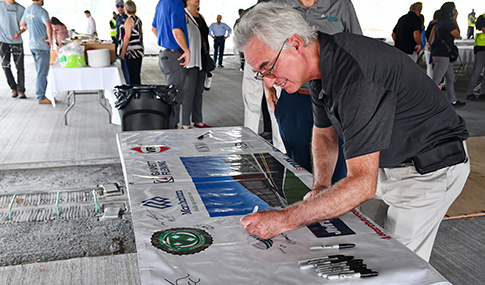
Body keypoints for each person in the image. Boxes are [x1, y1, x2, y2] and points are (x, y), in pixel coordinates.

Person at [234, 2, 470, 262]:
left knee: (395, 267)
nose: (268, 81)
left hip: (429, 171)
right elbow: (325, 133)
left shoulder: (355, 76)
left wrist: (284, 219)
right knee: (360, 247)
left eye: (268, 67)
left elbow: (361, 184)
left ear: (296, 44)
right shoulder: (320, 64)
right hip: (388, 165)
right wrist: (321, 186)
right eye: (260, 74)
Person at [265, 0, 361, 182]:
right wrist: (266, 84)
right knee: (297, 166)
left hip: (334, 99)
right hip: (296, 99)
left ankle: (336, 208)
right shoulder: (279, 5)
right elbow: (266, 46)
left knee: (337, 167)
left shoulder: (341, 4)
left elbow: (358, 49)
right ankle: (301, 208)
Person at [152, 0, 190, 129]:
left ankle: (170, 127)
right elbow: (176, 31)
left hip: (164, 54)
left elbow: (154, 28)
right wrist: (186, 50)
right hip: (174, 56)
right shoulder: (176, 3)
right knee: (175, 96)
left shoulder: (161, 3)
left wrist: (165, 41)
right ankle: (171, 129)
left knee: (170, 93)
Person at [181, 0, 211, 130]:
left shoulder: (201, 17)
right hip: (191, 61)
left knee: (199, 92)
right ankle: (185, 123)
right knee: (189, 92)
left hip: (202, 60)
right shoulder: (184, 15)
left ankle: (198, 120)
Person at [429, 2, 465, 108]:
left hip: (439, 53)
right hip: (443, 54)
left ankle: (452, 101)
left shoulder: (440, 22)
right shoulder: (449, 22)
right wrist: (455, 19)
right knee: (436, 80)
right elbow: (457, 34)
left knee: (450, 78)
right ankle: (429, 103)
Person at [20, 0, 53, 104]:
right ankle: (41, 96)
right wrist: (50, 39)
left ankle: (46, 95)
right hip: (42, 46)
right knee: (42, 72)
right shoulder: (42, 11)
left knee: (40, 71)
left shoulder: (28, 10)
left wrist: (31, 30)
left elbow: (22, 23)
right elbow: (48, 25)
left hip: (32, 45)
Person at [0, 0, 26, 99]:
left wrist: (19, 33)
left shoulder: (21, 9)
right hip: (2, 41)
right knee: (5, 66)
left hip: (17, 41)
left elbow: (25, 26)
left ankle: (21, 90)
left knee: (20, 66)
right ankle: (13, 88)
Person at [119, 0, 143, 85]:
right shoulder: (138, 20)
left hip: (131, 51)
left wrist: (123, 50)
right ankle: (138, 94)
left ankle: (133, 94)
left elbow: (127, 36)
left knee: (131, 75)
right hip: (138, 50)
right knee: (136, 74)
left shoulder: (129, 20)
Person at [466, 13, 485, 101]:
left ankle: (483, 92)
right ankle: (470, 92)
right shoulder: (482, 18)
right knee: (477, 70)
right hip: (481, 47)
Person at [116, 0, 130, 85]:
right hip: (120, 44)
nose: (120, 8)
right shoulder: (117, 17)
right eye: (118, 6)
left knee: (128, 69)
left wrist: (123, 50)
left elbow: (127, 36)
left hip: (127, 47)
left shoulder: (127, 18)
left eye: (121, 6)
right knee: (124, 68)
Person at [424, 10, 440, 78]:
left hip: (429, 47)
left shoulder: (431, 24)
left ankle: (430, 80)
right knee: (439, 67)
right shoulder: (439, 25)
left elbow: (426, 34)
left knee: (429, 66)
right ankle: (441, 83)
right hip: (436, 48)